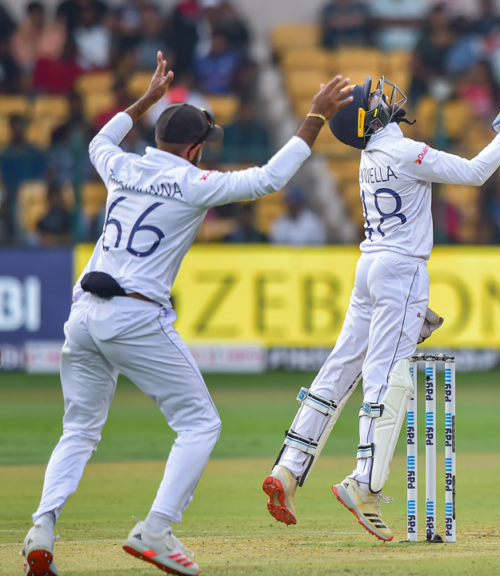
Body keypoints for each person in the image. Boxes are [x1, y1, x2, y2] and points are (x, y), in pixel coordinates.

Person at [19, 52, 353, 576]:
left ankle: (42, 527)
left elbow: (97, 141)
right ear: (195, 150)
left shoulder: (122, 164)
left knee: (79, 429)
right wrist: (314, 117)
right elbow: (270, 178)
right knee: (200, 423)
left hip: (83, 314)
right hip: (134, 315)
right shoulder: (196, 185)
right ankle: (156, 529)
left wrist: (146, 100)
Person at [262, 71, 500, 541]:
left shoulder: (371, 155)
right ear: (370, 117)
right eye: (376, 98)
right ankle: (364, 482)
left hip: (370, 268)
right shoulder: (404, 151)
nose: (385, 98)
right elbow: (474, 173)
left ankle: (288, 467)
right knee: (388, 375)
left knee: (340, 367)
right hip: (403, 271)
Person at [0, 115, 47, 244]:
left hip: (34, 196)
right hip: (12, 195)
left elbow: (40, 175)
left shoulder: (35, 153)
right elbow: (5, 178)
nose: (18, 130)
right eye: (15, 127)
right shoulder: (5, 154)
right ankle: (13, 239)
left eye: (20, 126)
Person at [35, 181, 73, 246]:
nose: (55, 200)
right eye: (52, 197)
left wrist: (55, 239)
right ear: (48, 198)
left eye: (57, 196)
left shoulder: (68, 217)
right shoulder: (43, 220)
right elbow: (42, 239)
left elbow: (71, 237)